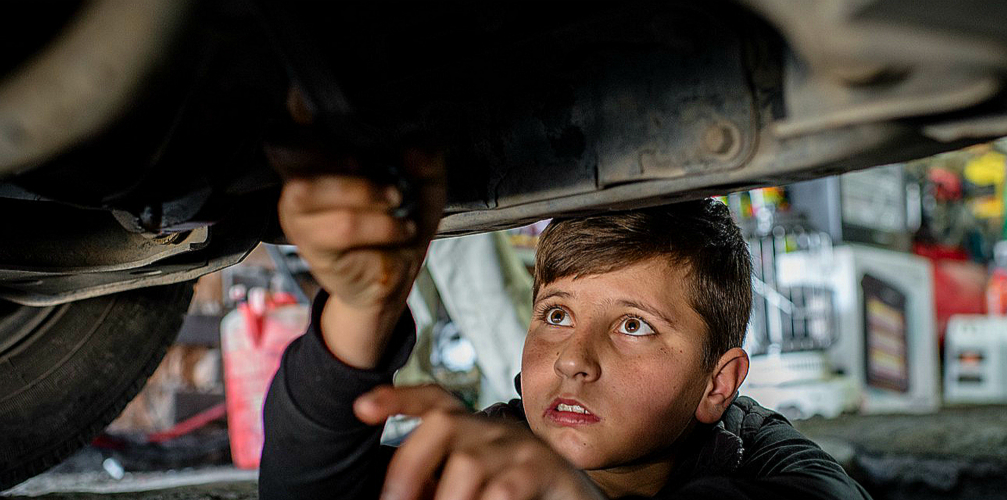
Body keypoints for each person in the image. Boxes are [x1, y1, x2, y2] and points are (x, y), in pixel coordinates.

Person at [259, 150, 872, 499]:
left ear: (717, 384)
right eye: (557, 314)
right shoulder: (490, 450)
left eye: (634, 325)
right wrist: (364, 310)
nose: (573, 358)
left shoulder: (774, 467)